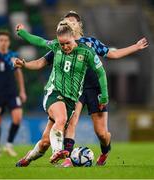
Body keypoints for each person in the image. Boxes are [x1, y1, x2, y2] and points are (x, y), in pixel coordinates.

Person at [15, 11, 148, 167]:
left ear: (77, 26)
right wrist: (23, 34)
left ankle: (29, 158)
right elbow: (40, 45)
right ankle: (63, 156)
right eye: (66, 21)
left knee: (97, 134)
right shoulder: (58, 44)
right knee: (66, 121)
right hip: (61, 92)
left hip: (89, 90)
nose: (69, 24)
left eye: (72, 22)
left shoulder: (89, 47)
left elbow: (108, 61)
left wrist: (135, 47)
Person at [15, 20, 109, 165]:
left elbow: (101, 73)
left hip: (71, 100)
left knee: (45, 142)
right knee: (62, 118)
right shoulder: (55, 46)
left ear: (73, 37)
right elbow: (39, 41)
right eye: (61, 43)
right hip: (53, 92)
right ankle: (57, 152)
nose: (64, 46)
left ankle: (27, 159)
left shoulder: (87, 52)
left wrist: (104, 96)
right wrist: (22, 33)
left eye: (67, 43)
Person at [0, 30, 27, 157]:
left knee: (18, 117)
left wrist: (22, 90)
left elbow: (18, 73)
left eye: (5, 40)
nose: (3, 42)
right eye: (1, 40)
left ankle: (9, 144)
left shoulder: (13, 56)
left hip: (12, 93)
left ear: (9, 42)